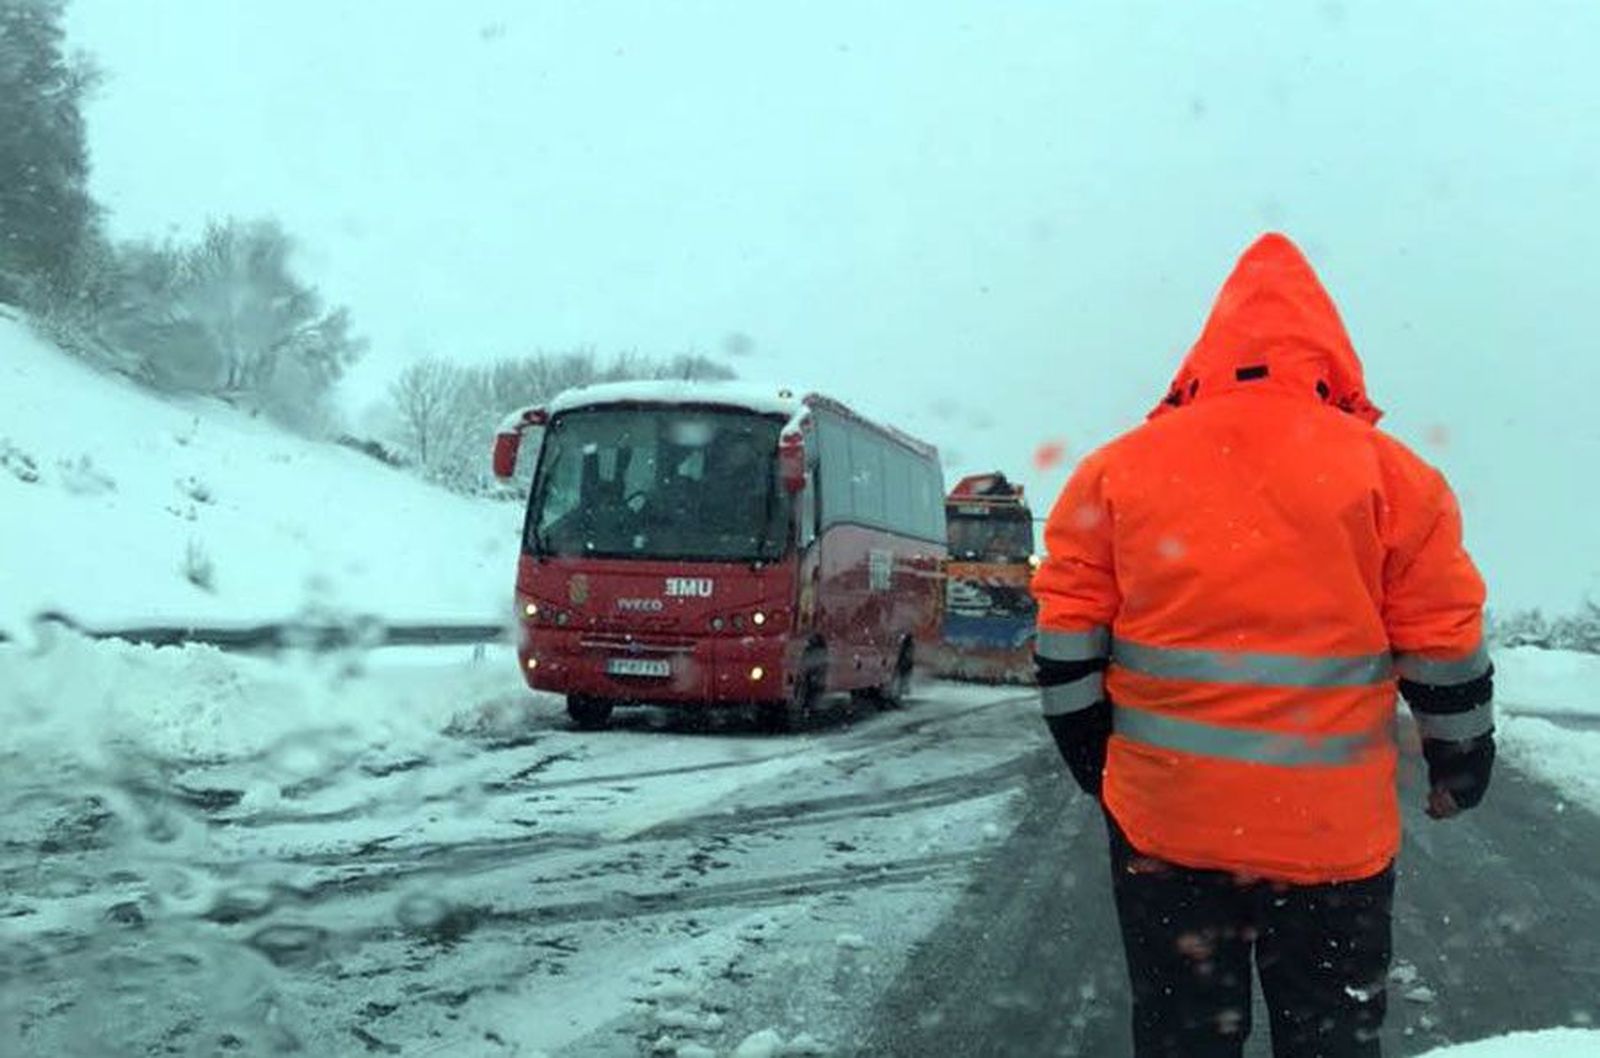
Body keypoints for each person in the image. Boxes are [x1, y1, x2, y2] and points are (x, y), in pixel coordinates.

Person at [1031, 233, 1495, 1058]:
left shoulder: (1117, 473)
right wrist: (1460, 766)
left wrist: (1091, 759)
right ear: (1331, 353)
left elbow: (1066, 638)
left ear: (1206, 350)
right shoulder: (1394, 479)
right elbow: (1442, 643)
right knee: (1330, 1038)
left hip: (1166, 831)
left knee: (1182, 1035)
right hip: (1332, 844)